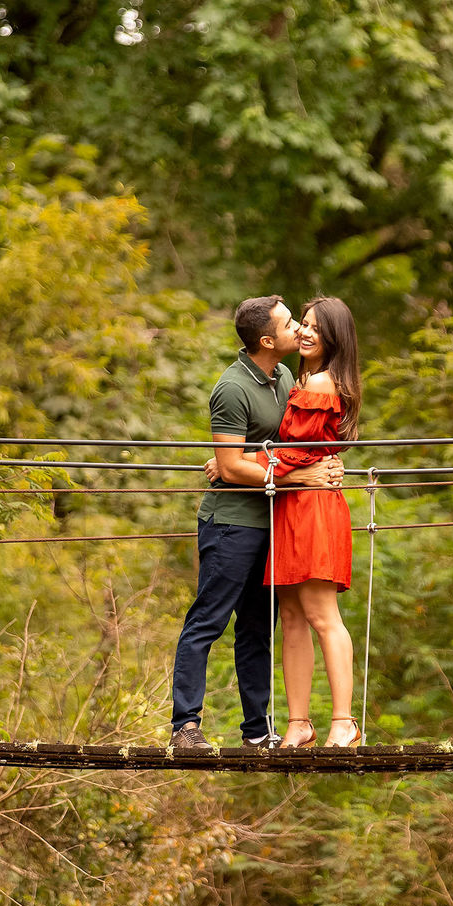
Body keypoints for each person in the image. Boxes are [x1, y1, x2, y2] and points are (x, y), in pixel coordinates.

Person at [171, 295, 344, 753]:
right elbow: (232, 470)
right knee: (208, 620)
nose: (299, 330)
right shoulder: (232, 387)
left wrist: (325, 461)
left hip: (274, 520)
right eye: (291, 324)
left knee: (256, 628)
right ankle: (185, 726)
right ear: (267, 340)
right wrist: (294, 473)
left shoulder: (286, 376)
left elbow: (289, 441)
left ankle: (257, 730)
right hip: (231, 523)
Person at [265, 297, 362, 750]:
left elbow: (292, 451)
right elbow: (294, 453)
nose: (305, 333)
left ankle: (343, 721)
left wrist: (236, 461)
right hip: (290, 503)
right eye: (302, 324)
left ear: (334, 339)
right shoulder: (307, 380)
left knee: (322, 616)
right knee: (291, 617)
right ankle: (299, 723)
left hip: (314, 507)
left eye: (316, 329)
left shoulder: (322, 385)